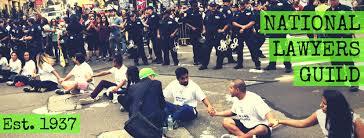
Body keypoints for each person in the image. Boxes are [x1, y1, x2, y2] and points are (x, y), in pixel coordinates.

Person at [277, 90, 364, 138]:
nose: (320, 105)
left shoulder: (354, 120)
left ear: (335, 106)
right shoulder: (320, 114)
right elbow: (302, 123)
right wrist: (280, 121)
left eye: (324, 104)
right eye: (321, 102)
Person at [212, 79, 277, 138]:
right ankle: (246, 137)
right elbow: (232, 112)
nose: (229, 90)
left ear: (237, 90)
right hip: (245, 125)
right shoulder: (237, 98)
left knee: (261, 129)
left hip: (257, 126)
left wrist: (271, 119)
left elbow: (267, 112)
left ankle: (241, 137)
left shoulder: (254, 98)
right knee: (226, 122)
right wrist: (216, 113)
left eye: (231, 88)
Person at [325, 0, 359, 92]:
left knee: (348, 62)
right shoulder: (327, 11)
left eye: (334, 0)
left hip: (344, 39)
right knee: (335, 62)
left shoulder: (346, 9)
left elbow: (355, 20)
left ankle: (354, 83)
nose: (332, 2)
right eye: (331, 0)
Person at [125, 68, 166, 137]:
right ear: (150, 76)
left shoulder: (132, 87)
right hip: (152, 122)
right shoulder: (156, 83)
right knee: (162, 110)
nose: (154, 78)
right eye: (153, 76)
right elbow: (162, 103)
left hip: (136, 122)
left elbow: (128, 105)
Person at [232, 0, 261, 70]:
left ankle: (257, 63)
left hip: (248, 33)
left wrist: (244, 27)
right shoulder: (236, 13)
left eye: (243, 5)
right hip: (239, 33)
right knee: (239, 50)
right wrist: (241, 26)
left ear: (245, 5)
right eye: (240, 5)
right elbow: (233, 22)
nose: (241, 6)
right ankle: (239, 64)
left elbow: (252, 22)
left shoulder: (249, 12)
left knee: (252, 49)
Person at [199, 2, 228, 70]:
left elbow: (227, 23)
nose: (213, 7)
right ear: (209, 6)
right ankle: (204, 65)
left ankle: (219, 65)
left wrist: (223, 30)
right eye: (211, 6)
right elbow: (204, 23)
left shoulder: (220, 14)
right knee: (206, 51)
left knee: (219, 51)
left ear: (216, 6)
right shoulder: (207, 14)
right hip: (209, 36)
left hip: (217, 36)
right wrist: (204, 30)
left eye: (214, 6)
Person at [183, 0, 203, 65]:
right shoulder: (188, 12)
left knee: (200, 45)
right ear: (191, 4)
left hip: (199, 31)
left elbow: (202, 21)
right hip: (192, 31)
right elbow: (185, 22)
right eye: (194, 3)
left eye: (196, 3)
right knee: (195, 46)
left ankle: (200, 59)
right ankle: (196, 60)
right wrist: (192, 27)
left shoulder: (199, 11)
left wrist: (203, 30)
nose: (196, 4)